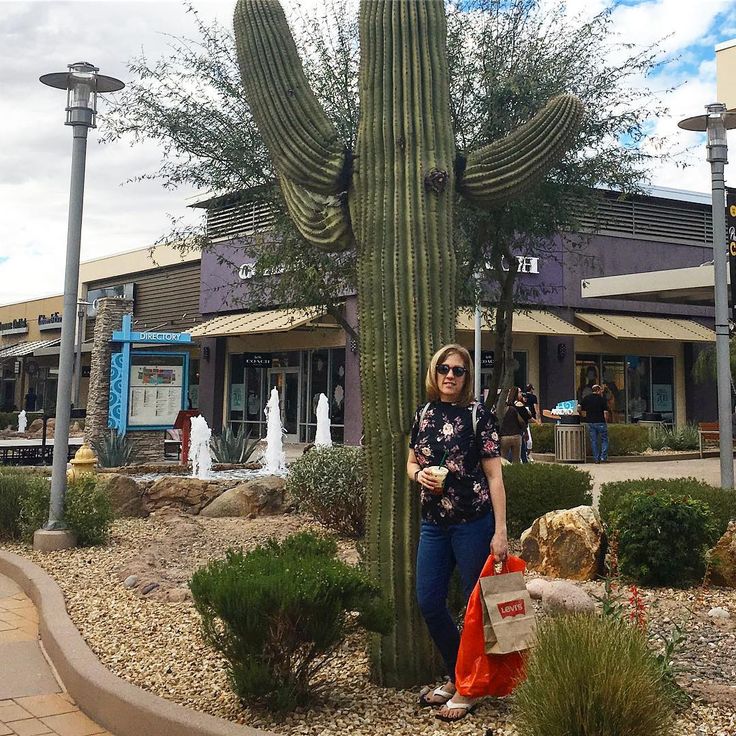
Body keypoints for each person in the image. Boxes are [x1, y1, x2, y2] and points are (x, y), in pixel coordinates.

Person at [407, 344, 508, 722]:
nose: (450, 375)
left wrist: (500, 531)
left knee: (473, 608)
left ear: (467, 378)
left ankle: (469, 687)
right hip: (434, 523)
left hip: (473, 523)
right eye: (444, 369)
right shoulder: (424, 414)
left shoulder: (479, 416)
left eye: (459, 371)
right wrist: (419, 475)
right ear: (434, 373)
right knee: (429, 601)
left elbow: (495, 476)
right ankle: (457, 673)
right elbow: (410, 461)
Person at [499, 387, 531, 463]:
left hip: (504, 436)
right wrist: (525, 432)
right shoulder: (515, 408)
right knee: (516, 459)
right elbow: (522, 421)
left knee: (503, 460)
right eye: (519, 392)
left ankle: (504, 473)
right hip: (516, 435)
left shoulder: (501, 410)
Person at [579, 383, 609, 463]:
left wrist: (582, 414)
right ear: (598, 390)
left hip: (591, 422)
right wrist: (606, 421)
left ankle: (596, 459)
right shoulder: (602, 399)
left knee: (594, 441)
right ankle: (603, 457)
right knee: (604, 440)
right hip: (601, 422)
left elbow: (579, 407)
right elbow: (605, 412)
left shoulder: (587, 398)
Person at [521, 383, 541, 462]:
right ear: (531, 389)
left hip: (524, 420)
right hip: (531, 418)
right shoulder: (533, 397)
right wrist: (538, 419)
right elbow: (536, 409)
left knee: (525, 438)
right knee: (529, 439)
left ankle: (526, 454)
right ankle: (528, 454)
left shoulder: (522, 397)